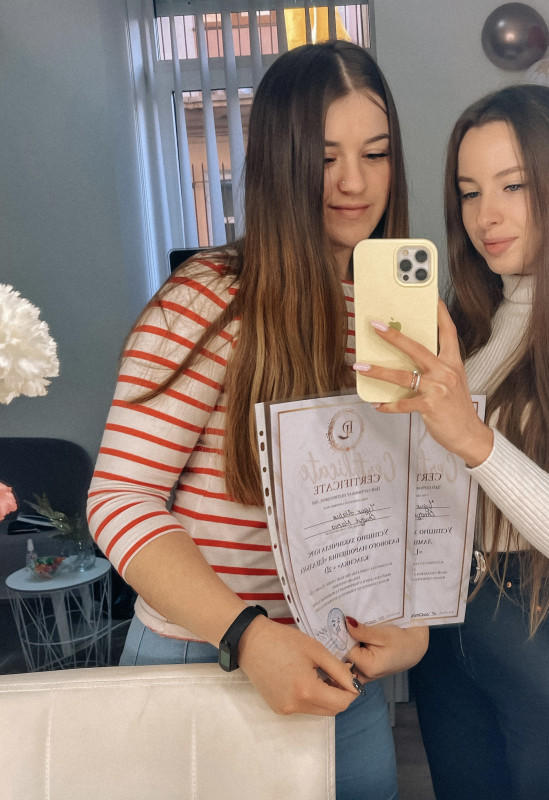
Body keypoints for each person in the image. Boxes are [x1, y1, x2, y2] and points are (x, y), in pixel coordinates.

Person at [87, 40, 427, 800]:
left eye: (375, 154)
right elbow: (119, 499)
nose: (353, 181)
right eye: (324, 156)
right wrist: (245, 635)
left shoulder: (399, 316)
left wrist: (413, 623)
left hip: (342, 672)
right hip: (201, 657)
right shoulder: (206, 299)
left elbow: (402, 500)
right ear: (278, 161)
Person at [349, 84, 549, 800]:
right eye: (468, 192)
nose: (484, 215)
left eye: (513, 186)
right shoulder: (465, 330)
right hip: (447, 622)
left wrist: (473, 437)